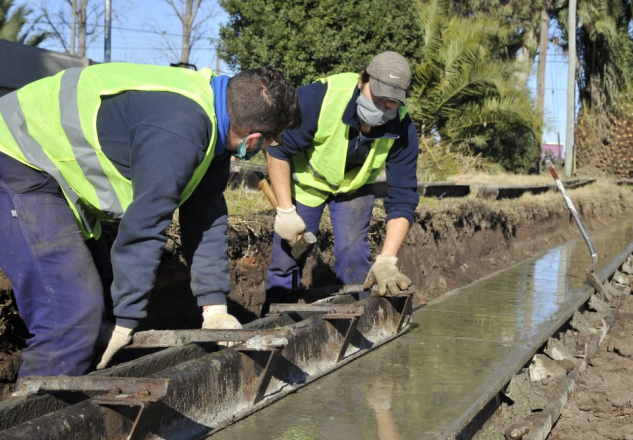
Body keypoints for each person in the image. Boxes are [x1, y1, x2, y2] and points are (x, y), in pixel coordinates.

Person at [0, 63, 301, 379]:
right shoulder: (180, 130)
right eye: (271, 140)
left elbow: (206, 215)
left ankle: (74, 397)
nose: (269, 148)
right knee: (72, 317)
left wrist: (215, 308)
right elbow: (146, 223)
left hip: (51, 171)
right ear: (253, 138)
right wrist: (125, 319)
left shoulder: (218, 115)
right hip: (16, 155)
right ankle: (35, 421)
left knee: (101, 297)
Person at [265, 51, 418, 308]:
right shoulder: (320, 98)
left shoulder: (402, 127)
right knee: (286, 258)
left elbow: (403, 195)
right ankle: (273, 320)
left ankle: (353, 321)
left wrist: (387, 260)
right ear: (362, 80)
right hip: (307, 185)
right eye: (377, 98)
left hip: (353, 189)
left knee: (354, 255)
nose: (382, 110)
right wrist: (285, 210)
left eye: (391, 104)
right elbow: (277, 147)